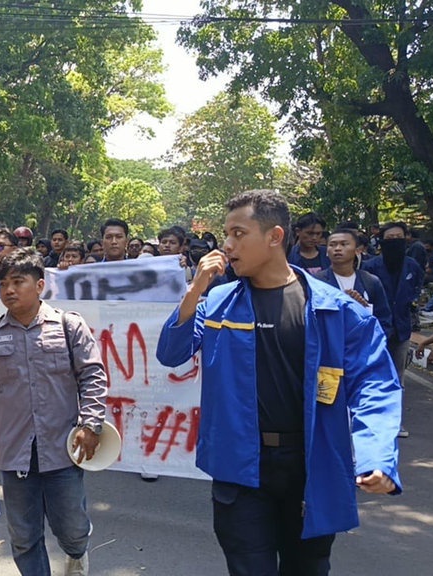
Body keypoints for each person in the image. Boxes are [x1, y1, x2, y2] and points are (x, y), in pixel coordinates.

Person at [156, 190, 401, 576]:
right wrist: (194, 290)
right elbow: (171, 352)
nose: (228, 245)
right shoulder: (217, 302)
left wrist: (377, 456)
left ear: (274, 237)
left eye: (239, 233)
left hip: (310, 466)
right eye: (226, 235)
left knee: (307, 568)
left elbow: (376, 384)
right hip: (239, 469)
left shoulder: (335, 309)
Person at [0, 248, 106, 576]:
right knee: (24, 537)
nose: (9, 290)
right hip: (15, 455)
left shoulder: (69, 326)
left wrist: (91, 424)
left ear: (40, 285)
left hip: (63, 450)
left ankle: (76, 555)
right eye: (3, 284)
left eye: (18, 282)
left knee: (72, 529)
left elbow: (93, 376)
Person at [361, 222, 424, 438]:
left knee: (398, 377)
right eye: (389, 238)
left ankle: (395, 422)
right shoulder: (371, 267)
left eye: (398, 237)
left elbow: (416, 288)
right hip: (376, 329)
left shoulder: (413, 266)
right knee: (373, 375)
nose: (394, 241)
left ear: (406, 238)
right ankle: (372, 419)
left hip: (402, 329)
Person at [314, 228, 392, 337]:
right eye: (332, 245)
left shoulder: (370, 281)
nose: (337, 248)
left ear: (358, 250)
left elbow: (384, 320)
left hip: (363, 345)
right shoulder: (316, 282)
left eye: (344, 244)